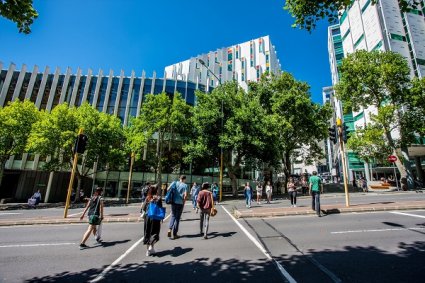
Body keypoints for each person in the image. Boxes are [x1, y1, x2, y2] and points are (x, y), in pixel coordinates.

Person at [143, 184, 163, 256]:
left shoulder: (147, 198)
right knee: (155, 233)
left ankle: (148, 250)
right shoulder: (158, 198)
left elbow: (144, 208)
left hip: (148, 218)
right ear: (156, 191)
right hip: (156, 218)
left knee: (147, 232)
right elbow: (160, 209)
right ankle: (152, 246)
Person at [167, 175, 188, 240]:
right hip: (180, 203)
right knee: (177, 218)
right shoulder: (185, 185)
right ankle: (175, 234)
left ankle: (170, 229)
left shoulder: (174, 182)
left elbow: (168, 189)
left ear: (179, 178)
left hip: (173, 201)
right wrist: (184, 202)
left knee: (173, 215)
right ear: (184, 179)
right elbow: (185, 195)